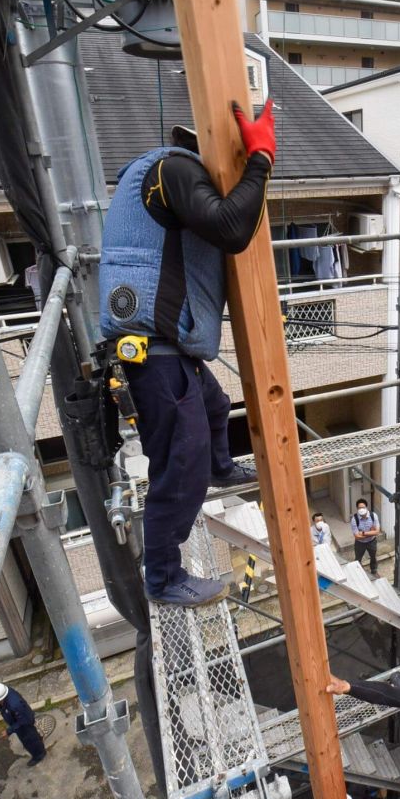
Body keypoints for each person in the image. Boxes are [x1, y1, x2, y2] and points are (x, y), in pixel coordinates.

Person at [99, 103, 276, 608]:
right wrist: (261, 158)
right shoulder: (174, 170)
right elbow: (232, 227)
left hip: (165, 345)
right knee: (181, 461)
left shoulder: (164, 174)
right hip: (152, 351)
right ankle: (162, 576)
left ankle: (220, 466)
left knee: (215, 409)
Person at [0, 683, 46, 767]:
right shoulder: (3, 692)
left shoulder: (15, 705)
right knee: (32, 736)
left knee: (29, 740)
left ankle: (39, 755)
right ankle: (38, 740)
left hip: (25, 723)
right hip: (19, 720)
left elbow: (23, 721)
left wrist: (9, 731)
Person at [351, 499, 380, 578]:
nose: (361, 509)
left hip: (372, 541)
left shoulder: (373, 516)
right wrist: (371, 533)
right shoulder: (354, 519)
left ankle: (374, 571)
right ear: (357, 509)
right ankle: (358, 573)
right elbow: (357, 536)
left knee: (373, 556)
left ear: (366, 507)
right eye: (359, 508)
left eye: (363, 507)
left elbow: (377, 532)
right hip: (360, 543)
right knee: (358, 558)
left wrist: (363, 533)